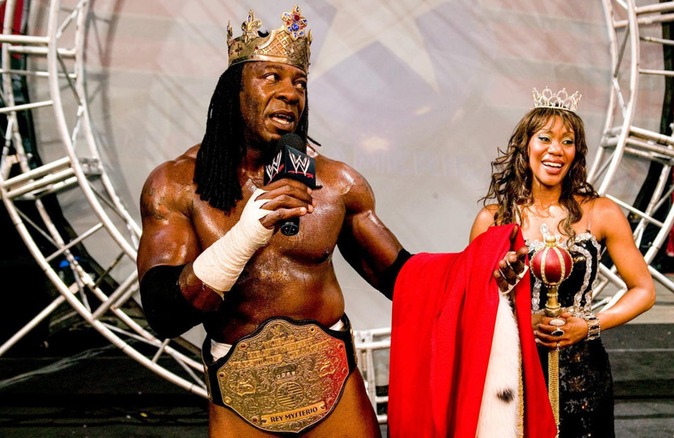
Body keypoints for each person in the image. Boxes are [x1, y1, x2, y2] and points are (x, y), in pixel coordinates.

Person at [136, 5, 530, 437]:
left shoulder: (337, 183)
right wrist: (245, 236)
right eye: (272, 77)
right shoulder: (176, 184)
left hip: (334, 393)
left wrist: (482, 274)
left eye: (300, 83)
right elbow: (164, 314)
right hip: (240, 394)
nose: (291, 93)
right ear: (233, 91)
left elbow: (403, 278)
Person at [469, 87, 656, 438]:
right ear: (526, 145)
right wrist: (525, 319)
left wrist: (590, 325)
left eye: (567, 141)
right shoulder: (492, 220)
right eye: (545, 138)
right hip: (515, 371)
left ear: (576, 153)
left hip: (583, 371)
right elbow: (475, 305)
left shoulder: (601, 212)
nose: (556, 150)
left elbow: (644, 290)